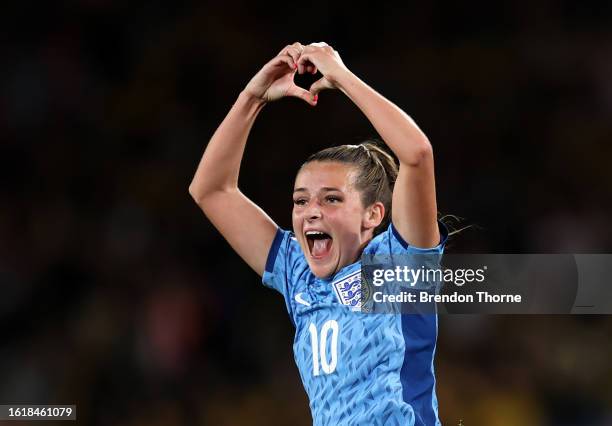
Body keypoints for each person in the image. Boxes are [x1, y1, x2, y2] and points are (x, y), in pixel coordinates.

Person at [189, 41, 448, 426]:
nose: (311, 212)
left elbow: (417, 154)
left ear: (373, 214)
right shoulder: (298, 273)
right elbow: (210, 190)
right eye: (300, 201)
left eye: (330, 200)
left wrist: (342, 78)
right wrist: (252, 98)